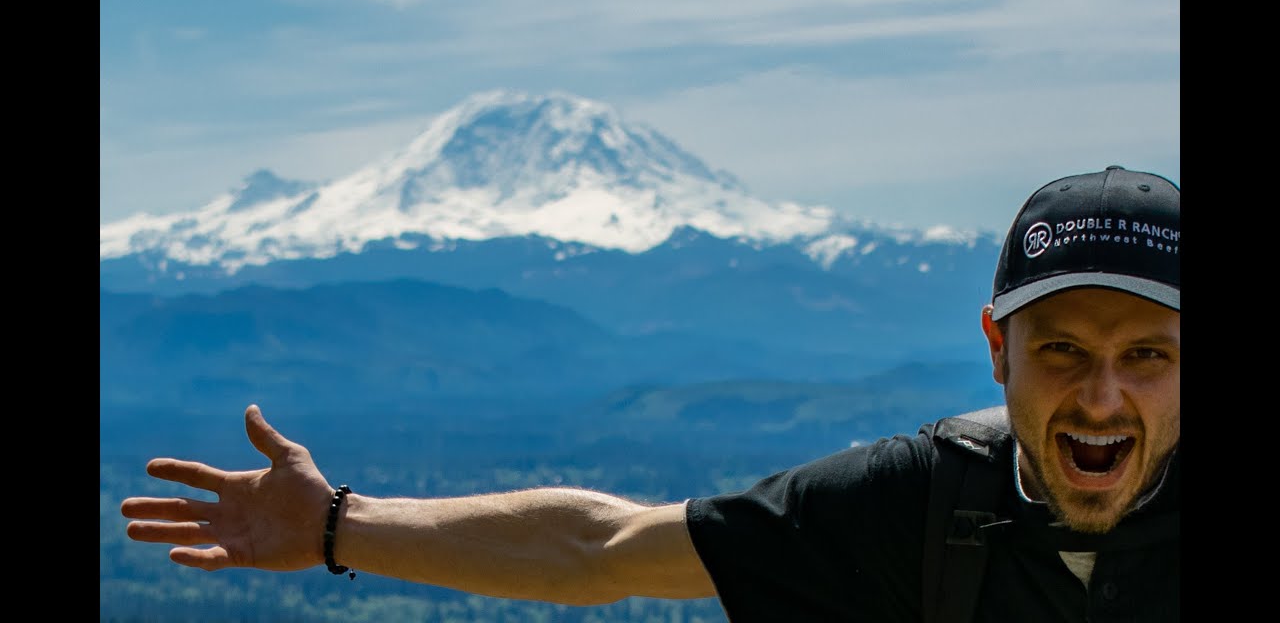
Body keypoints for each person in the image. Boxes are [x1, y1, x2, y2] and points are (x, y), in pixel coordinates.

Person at [120, 165, 1180, 621]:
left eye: (1144, 354)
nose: (1098, 397)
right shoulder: (916, 507)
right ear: (995, 349)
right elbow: (601, 549)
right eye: (1059, 353)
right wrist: (342, 525)